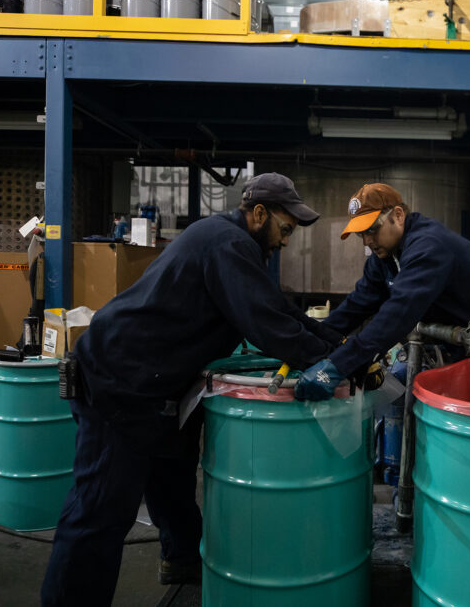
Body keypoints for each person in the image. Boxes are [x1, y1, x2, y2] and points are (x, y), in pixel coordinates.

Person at [41, 173, 340, 606]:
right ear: (259, 215)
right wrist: (332, 363)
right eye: (285, 229)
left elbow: (276, 309)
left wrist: (340, 344)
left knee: (173, 479)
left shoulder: (230, 242)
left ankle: (181, 559)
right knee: (100, 510)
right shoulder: (230, 245)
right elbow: (269, 325)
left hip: (161, 384)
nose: (286, 241)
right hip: (120, 382)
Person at [294, 182, 470, 402]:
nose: (367, 241)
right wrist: (311, 344)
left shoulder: (428, 246)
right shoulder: (383, 258)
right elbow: (355, 307)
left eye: (372, 230)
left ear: (398, 215)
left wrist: (337, 366)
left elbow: (396, 315)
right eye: (361, 234)